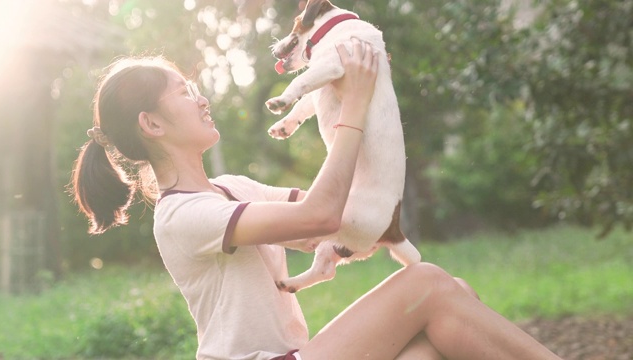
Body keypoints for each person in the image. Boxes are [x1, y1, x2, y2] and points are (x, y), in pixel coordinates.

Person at [71, 40, 562, 360]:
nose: (201, 99)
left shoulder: (234, 190)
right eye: (185, 93)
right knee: (430, 283)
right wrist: (353, 106)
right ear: (151, 124)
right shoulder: (183, 216)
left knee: (444, 315)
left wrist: (363, 98)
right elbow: (321, 212)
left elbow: (340, 219)